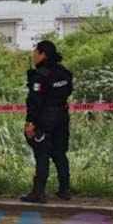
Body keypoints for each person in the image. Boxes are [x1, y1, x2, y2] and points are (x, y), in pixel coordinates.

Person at [20, 40, 73, 204]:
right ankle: (65, 190)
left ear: (43, 54)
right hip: (62, 116)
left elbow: (34, 101)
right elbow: (68, 91)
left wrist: (30, 122)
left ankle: (38, 192)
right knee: (59, 153)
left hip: (45, 118)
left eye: (35, 52)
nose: (33, 55)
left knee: (42, 153)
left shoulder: (40, 75)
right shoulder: (64, 72)